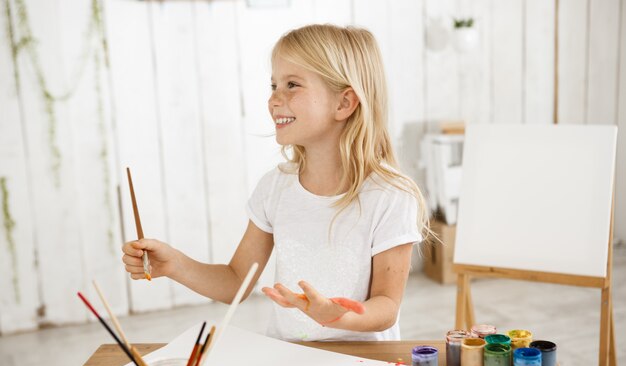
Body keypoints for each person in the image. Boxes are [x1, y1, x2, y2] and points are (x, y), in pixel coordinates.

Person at [121, 24, 431, 342]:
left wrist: (339, 316)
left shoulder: (390, 195)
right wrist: (175, 264)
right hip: (289, 361)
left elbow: (387, 306)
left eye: (292, 85)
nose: (274, 100)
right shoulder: (275, 188)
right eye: (273, 85)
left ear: (343, 103)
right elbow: (235, 281)